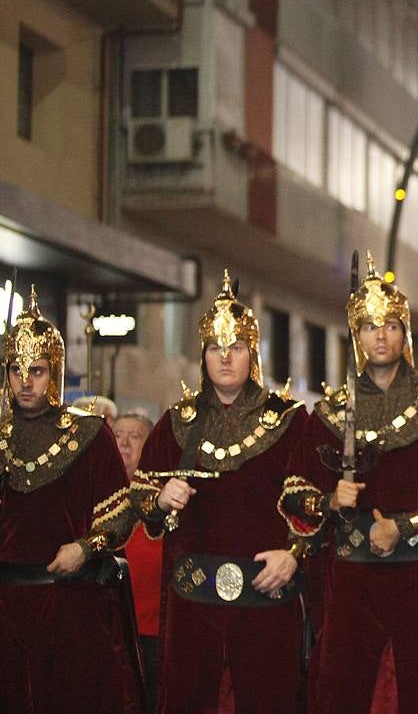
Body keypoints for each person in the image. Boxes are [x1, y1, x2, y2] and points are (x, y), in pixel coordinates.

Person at [281, 256, 418, 713]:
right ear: (356, 336)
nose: (381, 335)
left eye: (391, 325)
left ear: (405, 333)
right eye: (370, 327)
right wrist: (330, 499)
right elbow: (295, 495)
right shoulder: (330, 412)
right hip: (351, 582)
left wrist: (406, 526)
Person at [130, 272, 311, 713]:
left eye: (236, 347)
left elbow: (319, 504)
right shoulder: (177, 422)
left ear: (253, 352)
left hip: (266, 598)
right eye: (215, 347)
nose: (225, 358)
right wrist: (158, 498)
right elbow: (136, 494)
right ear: (203, 353)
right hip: (193, 608)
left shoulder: (290, 422)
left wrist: (295, 553)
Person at [0, 289, 140, 712]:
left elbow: (122, 510)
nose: (26, 380)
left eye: (37, 370)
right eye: (16, 369)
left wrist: (87, 547)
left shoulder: (90, 434)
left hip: (70, 605)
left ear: (55, 372)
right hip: (4, 605)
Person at [114, 409, 164, 708]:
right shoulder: (96, 496)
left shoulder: (163, 499)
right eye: (117, 436)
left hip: (153, 633)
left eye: (135, 437)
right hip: (111, 631)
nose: (124, 445)